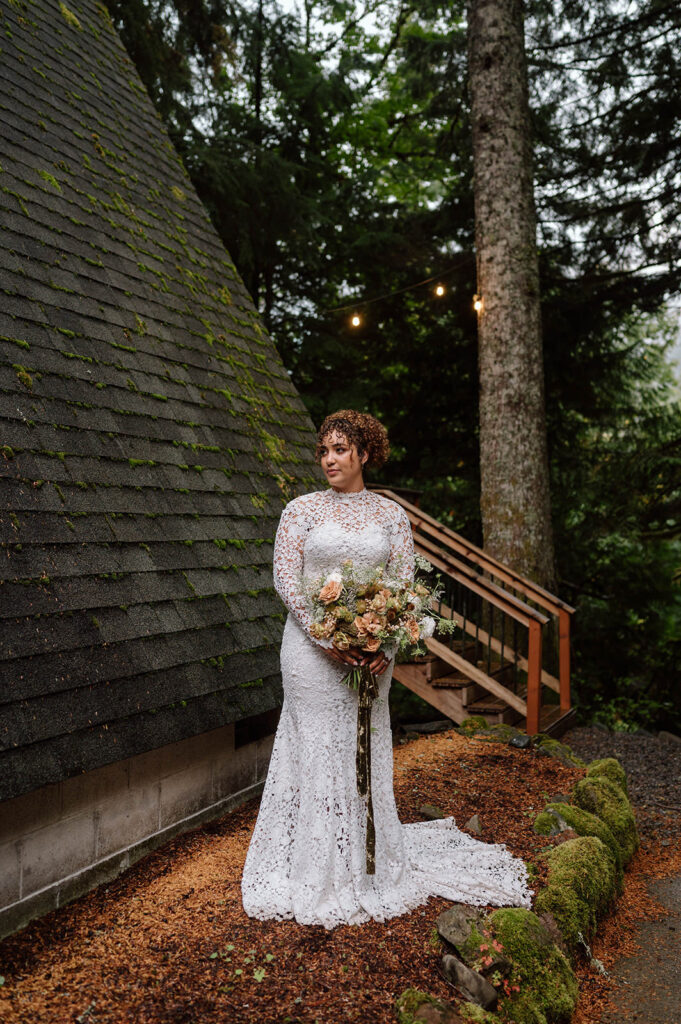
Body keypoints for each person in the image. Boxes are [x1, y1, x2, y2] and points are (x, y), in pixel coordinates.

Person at [240, 409, 533, 929]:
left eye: (339, 450)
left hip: (372, 655)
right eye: (324, 451)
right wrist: (325, 635)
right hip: (309, 652)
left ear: (364, 454)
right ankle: (311, 865)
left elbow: (402, 588)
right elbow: (285, 579)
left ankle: (367, 861)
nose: (329, 459)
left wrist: (386, 645)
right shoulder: (300, 510)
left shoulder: (391, 516)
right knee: (315, 747)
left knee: (363, 746)